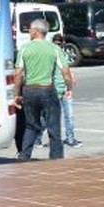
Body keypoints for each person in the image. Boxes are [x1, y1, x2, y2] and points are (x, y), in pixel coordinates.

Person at [14, 19, 73, 160]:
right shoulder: (54, 49)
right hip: (48, 89)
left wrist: (17, 94)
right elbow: (65, 72)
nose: (29, 31)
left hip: (29, 90)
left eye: (30, 29)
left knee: (31, 125)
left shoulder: (25, 49)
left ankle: (24, 156)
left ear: (35, 31)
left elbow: (18, 74)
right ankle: (56, 158)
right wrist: (69, 88)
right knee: (54, 127)